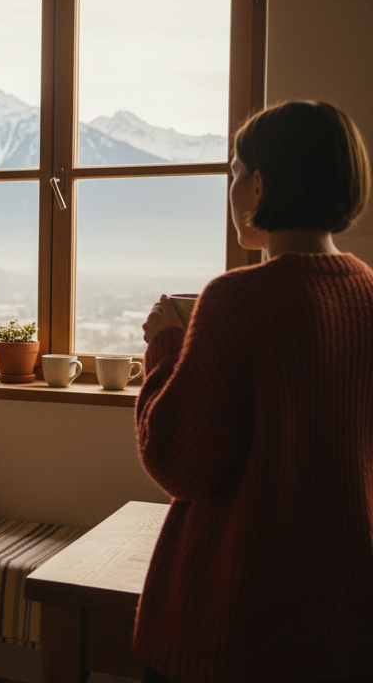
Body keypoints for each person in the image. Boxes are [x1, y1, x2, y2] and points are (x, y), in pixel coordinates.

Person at [135, 100, 373, 683]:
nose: (232, 188)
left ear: (259, 184)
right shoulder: (367, 292)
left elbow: (178, 461)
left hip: (242, 613)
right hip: (345, 610)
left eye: (235, 172)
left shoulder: (236, 298)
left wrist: (166, 348)